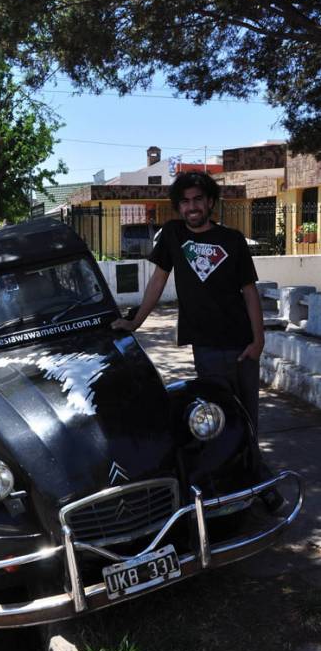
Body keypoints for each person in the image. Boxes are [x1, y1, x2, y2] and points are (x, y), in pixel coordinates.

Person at [112, 171, 282, 510]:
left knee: (248, 420)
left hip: (242, 345)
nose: (192, 206)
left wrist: (258, 341)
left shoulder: (232, 240)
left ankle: (256, 479)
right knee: (218, 421)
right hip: (205, 348)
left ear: (210, 203)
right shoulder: (173, 235)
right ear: (179, 206)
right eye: (185, 201)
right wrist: (135, 322)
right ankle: (237, 484)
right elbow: (157, 282)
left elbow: (250, 294)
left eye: (198, 199)